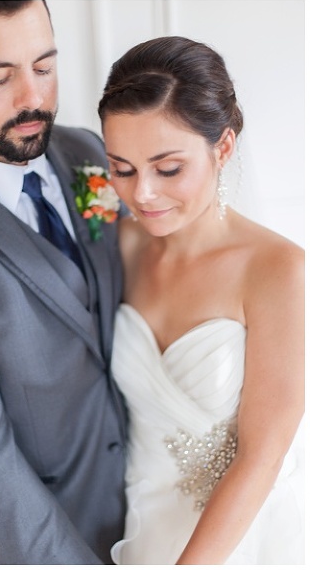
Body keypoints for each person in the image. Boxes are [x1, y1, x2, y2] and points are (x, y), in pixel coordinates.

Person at [0, 0, 127, 564]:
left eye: (44, 67)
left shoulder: (88, 152)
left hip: (144, 516)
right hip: (23, 543)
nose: (33, 99)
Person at [98, 36, 305, 564]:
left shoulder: (276, 267)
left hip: (238, 535)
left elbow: (263, 453)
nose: (142, 193)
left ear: (224, 148)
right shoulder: (119, 246)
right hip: (136, 519)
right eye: (122, 168)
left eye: (167, 169)